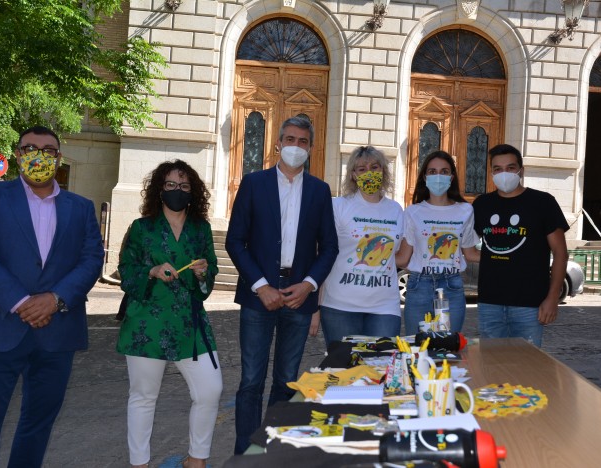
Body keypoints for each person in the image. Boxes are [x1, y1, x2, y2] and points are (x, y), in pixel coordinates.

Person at [0, 126, 104, 467]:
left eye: (47, 150)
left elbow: (91, 260)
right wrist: (21, 302)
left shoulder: (81, 207)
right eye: (29, 147)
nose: (38, 155)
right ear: (17, 155)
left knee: (38, 424)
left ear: (58, 158)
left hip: (56, 332)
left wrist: (55, 299)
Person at [226, 116, 339, 454]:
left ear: (311, 148)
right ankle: (245, 452)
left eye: (302, 141)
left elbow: (329, 246)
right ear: (278, 143)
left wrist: (308, 285)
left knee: (286, 381)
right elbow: (235, 241)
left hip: (299, 298)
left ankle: (272, 450)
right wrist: (260, 285)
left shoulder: (320, 191)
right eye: (289, 139)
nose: (295, 146)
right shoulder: (253, 183)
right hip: (258, 295)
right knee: (250, 381)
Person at [117, 160, 222, 468]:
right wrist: (149, 271)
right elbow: (125, 269)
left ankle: (196, 459)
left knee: (210, 389)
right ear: (159, 190)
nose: (178, 191)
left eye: (185, 186)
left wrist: (202, 273)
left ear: (194, 191)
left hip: (190, 322)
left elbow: (211, 270)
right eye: (172, 185)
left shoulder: (201, 229)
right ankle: (139, 463)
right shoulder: (141, 228)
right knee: (143, 396)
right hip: (147, 323)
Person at [472, 144, 568, 347]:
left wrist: (552, 298)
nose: (504, 173)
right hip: (490, 302)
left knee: (527, 368)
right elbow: (467, 246)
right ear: (491, 173)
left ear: (521, 171)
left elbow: (560, 253)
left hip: (530, 305)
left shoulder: (543, 202)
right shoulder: (482, 204)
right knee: (492, 364)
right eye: (497, 169)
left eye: (510, 167)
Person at [318, 146, 404, 347]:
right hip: (340, 306)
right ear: (353, 175)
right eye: (362, 169)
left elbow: (399, 255)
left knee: (380, 368)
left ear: (383, 171)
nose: (369, 173)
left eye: (375, 167)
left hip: (384, 307)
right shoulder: (338, 206)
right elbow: (322, 254)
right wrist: (315, 305)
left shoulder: (396, 210)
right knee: (345, 371)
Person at [396, 151, 480, 335]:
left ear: (452, 176)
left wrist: (506, 255)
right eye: (432, 171)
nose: (438, 176)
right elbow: (402, 258)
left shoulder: (466, 210)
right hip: (419, 285)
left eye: (444, 171)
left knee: (447, 349)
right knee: (417, 348)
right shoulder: (412, 212)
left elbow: (471, 253)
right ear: (425, 177)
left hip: (452, 285)